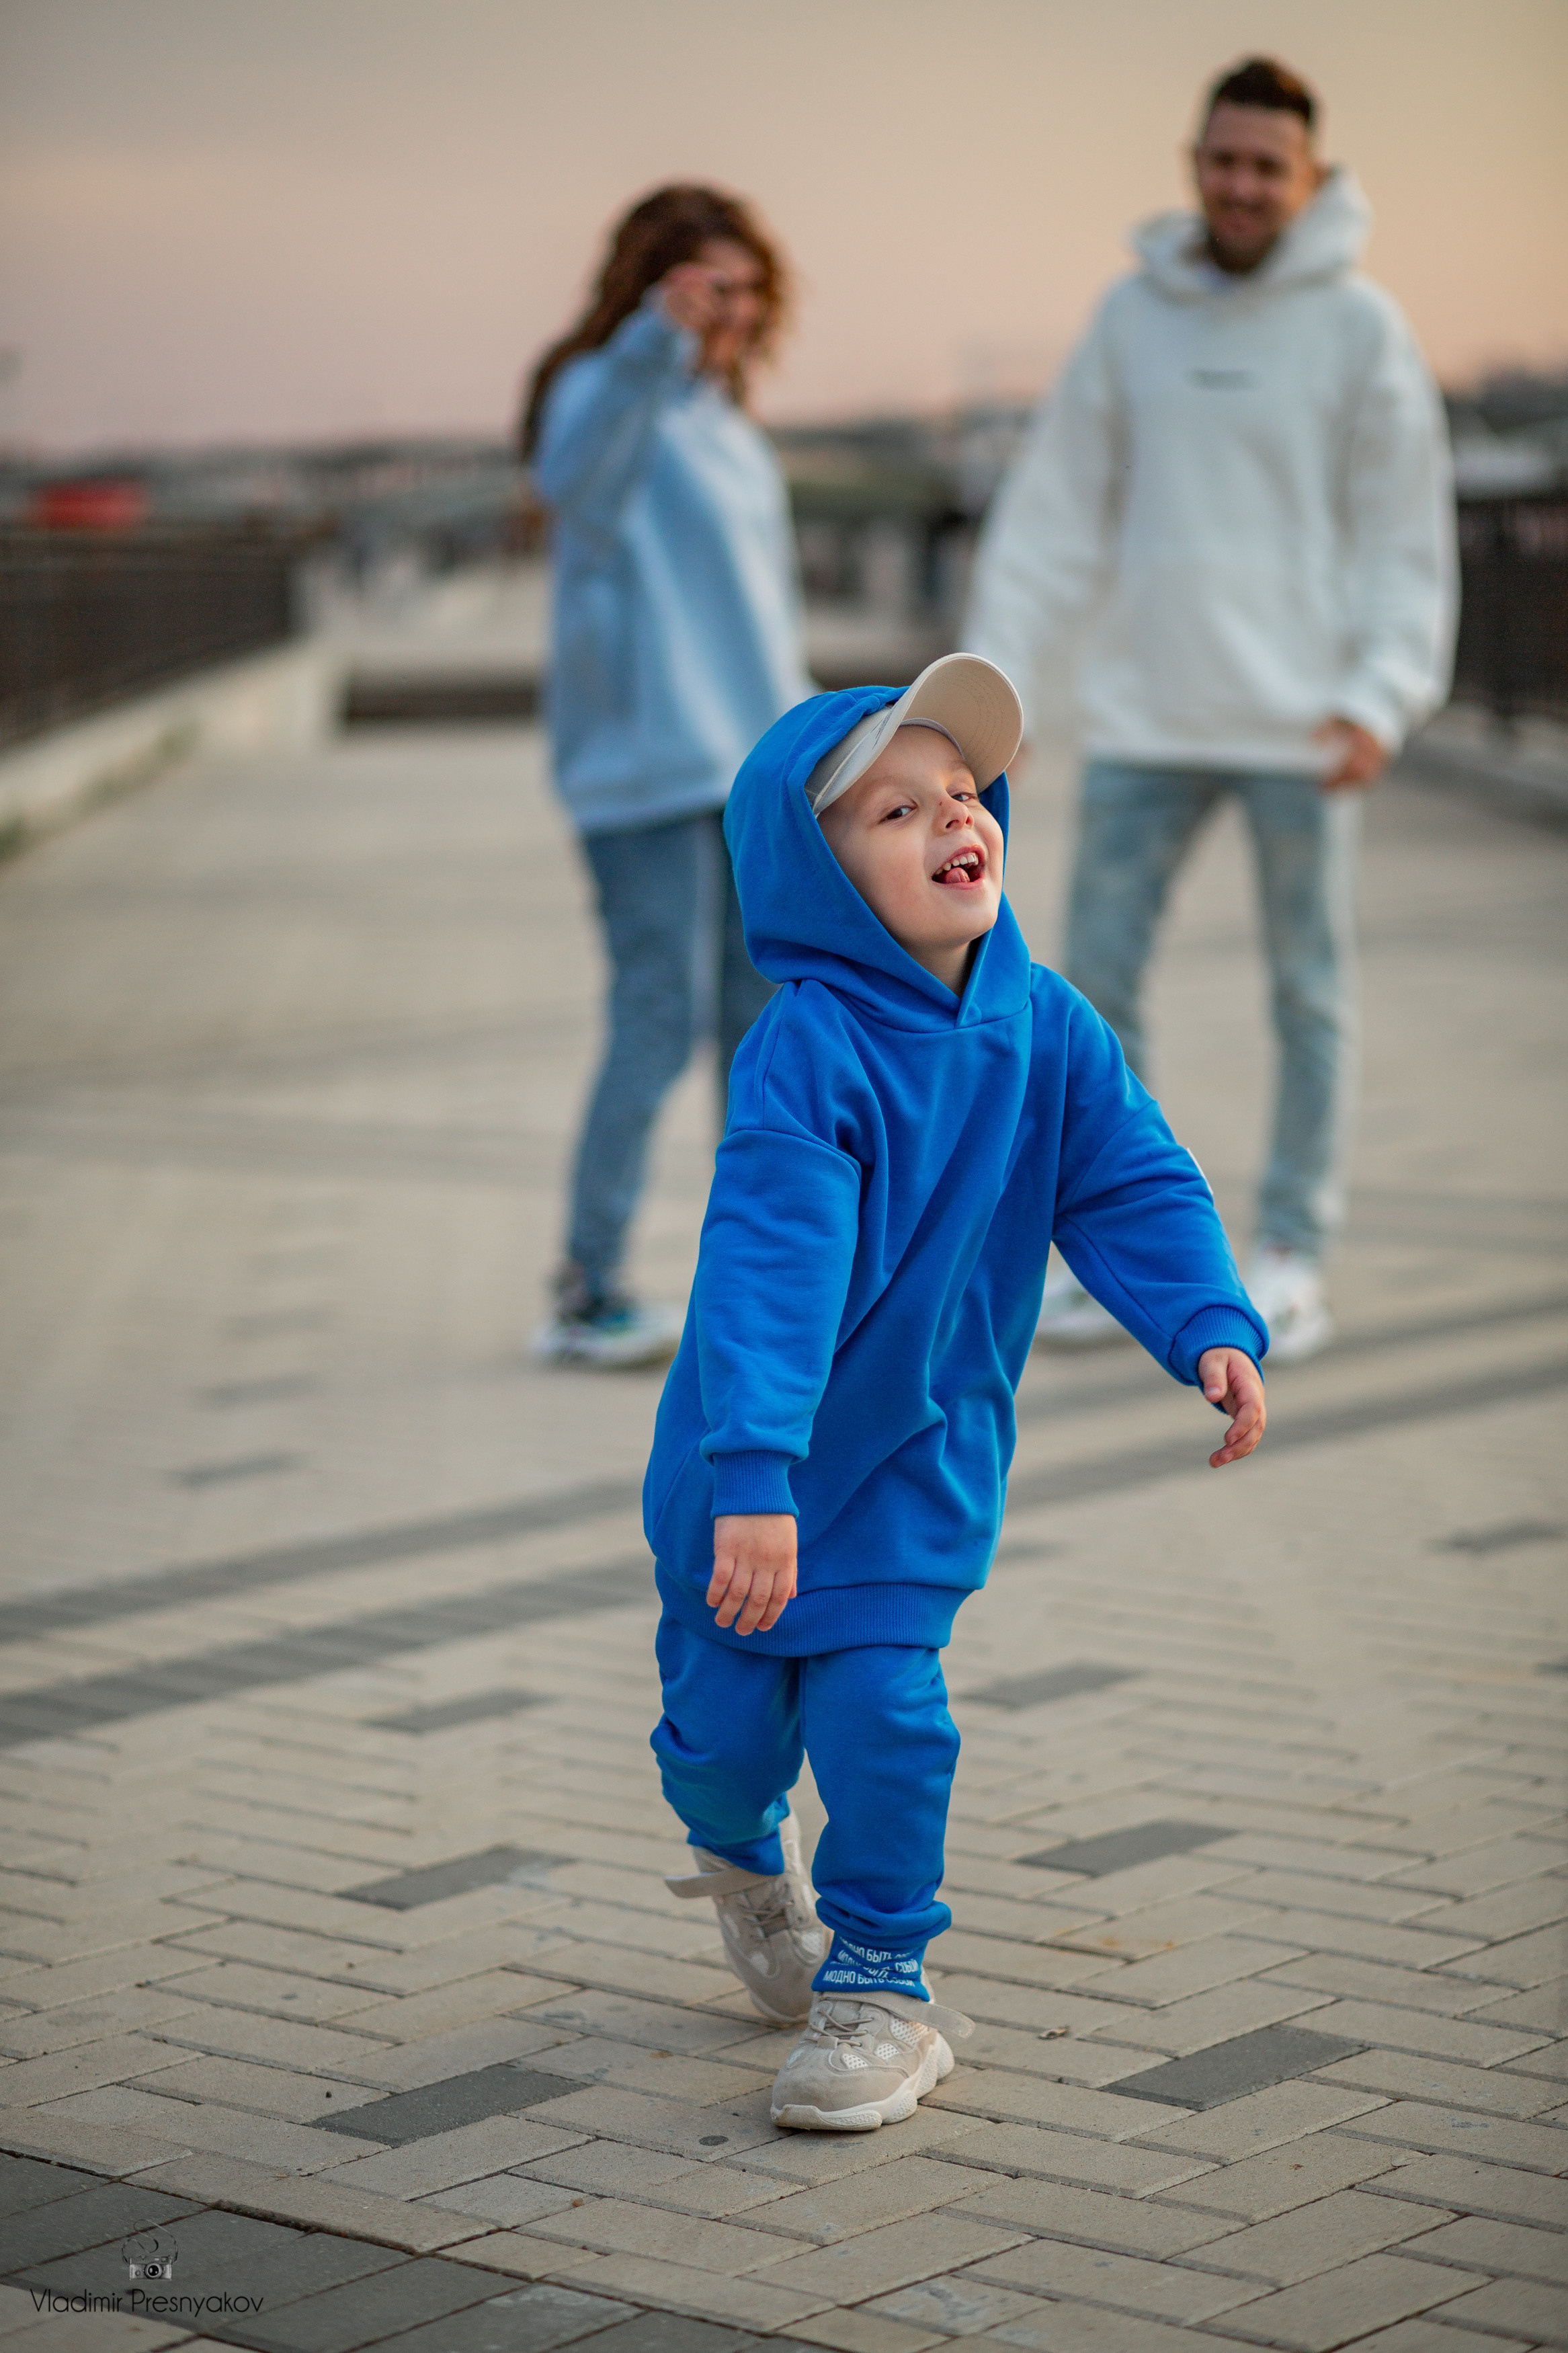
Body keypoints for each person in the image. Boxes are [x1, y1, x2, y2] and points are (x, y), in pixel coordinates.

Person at [645, 654, 1267, 2130]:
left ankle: (880, 1985)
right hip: (749, 1469)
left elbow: (1129, 1177)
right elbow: (770, 1266)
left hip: (918, 1462)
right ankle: (744, 1865)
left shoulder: (1046, 1024)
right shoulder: (807, 1051)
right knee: (722, 1744)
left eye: (966, 793)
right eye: (897, 809)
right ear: (817, 875)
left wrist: (1204, 1321)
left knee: (886, 1722)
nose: (955, 818)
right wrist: (753, 1476)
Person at [963, 56, 1456, 1362]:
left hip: (1304, 728)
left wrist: (1382, 695)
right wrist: (993, 692)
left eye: (1267, 167)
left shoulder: (1361, 328)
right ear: (1193, 163)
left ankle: (1290, 1250)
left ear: (1309, 178)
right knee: (1090, 998)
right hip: (1145, 719)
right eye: (1224, 160)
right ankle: (1115, 1257)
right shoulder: (1132, 318)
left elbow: (1404, 532)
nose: (1242, 186)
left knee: (1309, 993)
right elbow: (1052, 515)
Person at [522, 185, 813, 1367]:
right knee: (655, 1022)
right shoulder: (604, 391)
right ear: (648, 288)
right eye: (704, 290)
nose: (727, 314)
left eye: (746, 292)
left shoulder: (727, 426)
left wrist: (816, 754)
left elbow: (764, 622)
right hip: (642, 776)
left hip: (749, 776)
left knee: (762, 1038)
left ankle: (763, 1288)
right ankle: (585, 1290)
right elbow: (568, 485)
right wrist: (650, 343)